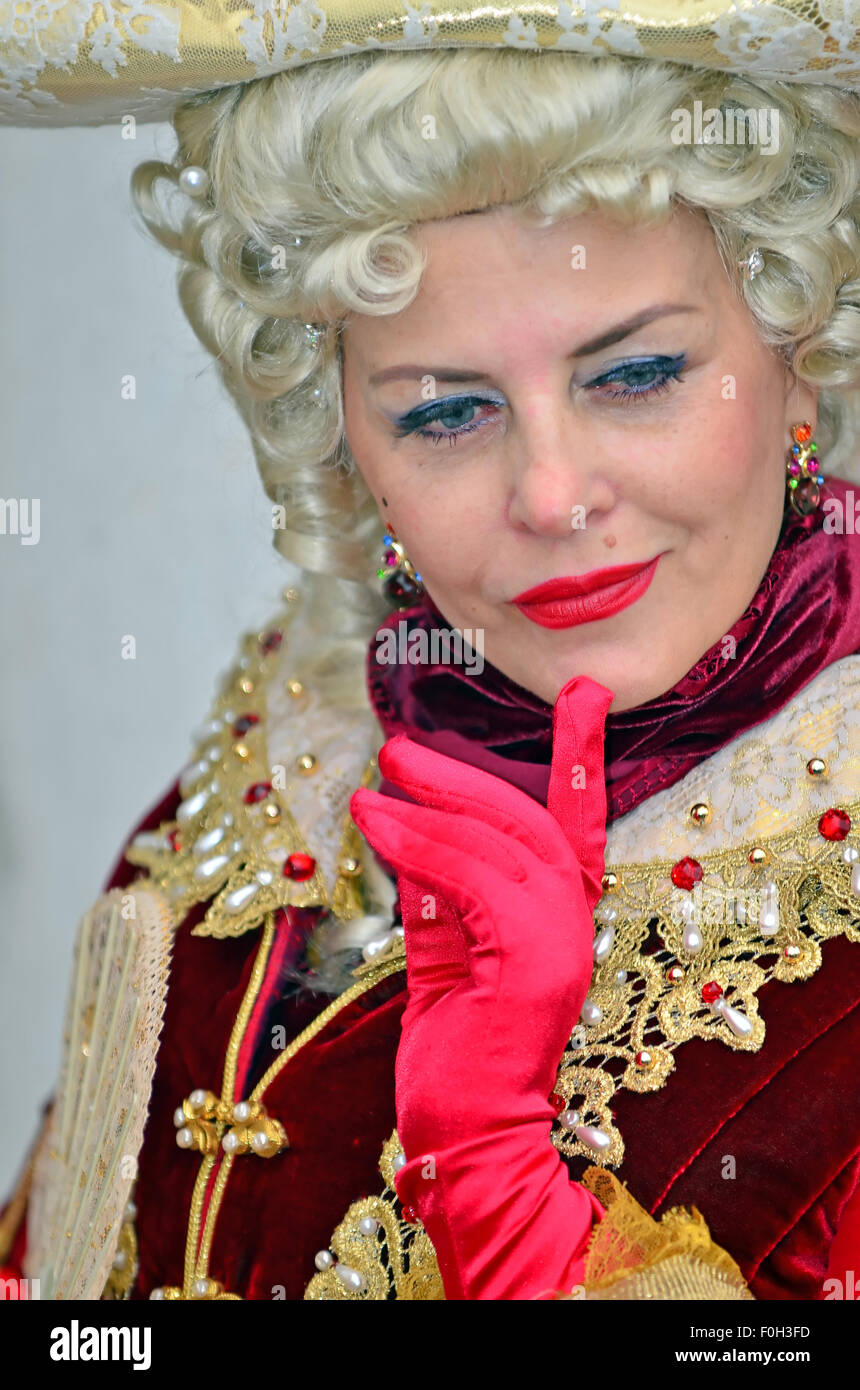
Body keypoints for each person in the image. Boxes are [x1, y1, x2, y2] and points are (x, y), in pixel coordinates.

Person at [1, 0, 860, 1301]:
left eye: (635, 375)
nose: (554, 493)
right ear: (341, 434)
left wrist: (514, 1204)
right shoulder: (286, 756)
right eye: (447, 411)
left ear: (800, 344)